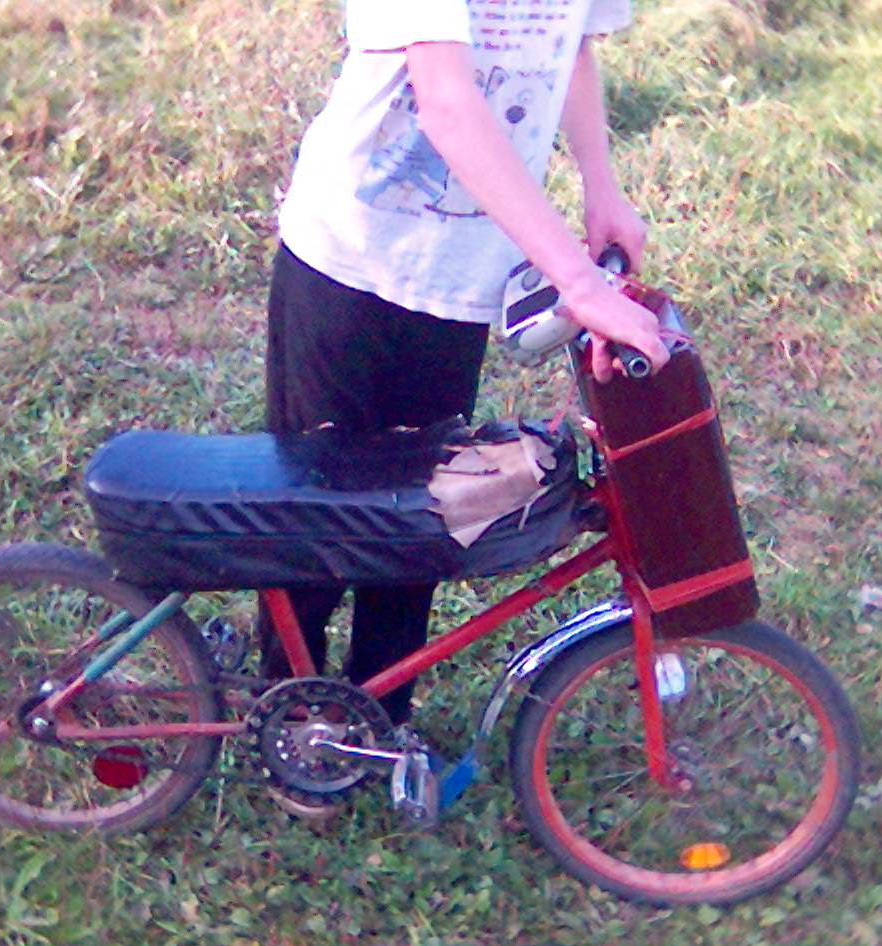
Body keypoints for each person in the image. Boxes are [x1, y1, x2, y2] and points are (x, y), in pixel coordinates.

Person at [262, 0, 669, 731]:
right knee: (311, 510)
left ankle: (381, 719)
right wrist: (578, 282)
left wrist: (602, 188)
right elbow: (446, 100)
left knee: (421, 513)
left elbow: (571, 45)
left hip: (457, 278)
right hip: (346, 259)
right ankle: (286, 713)